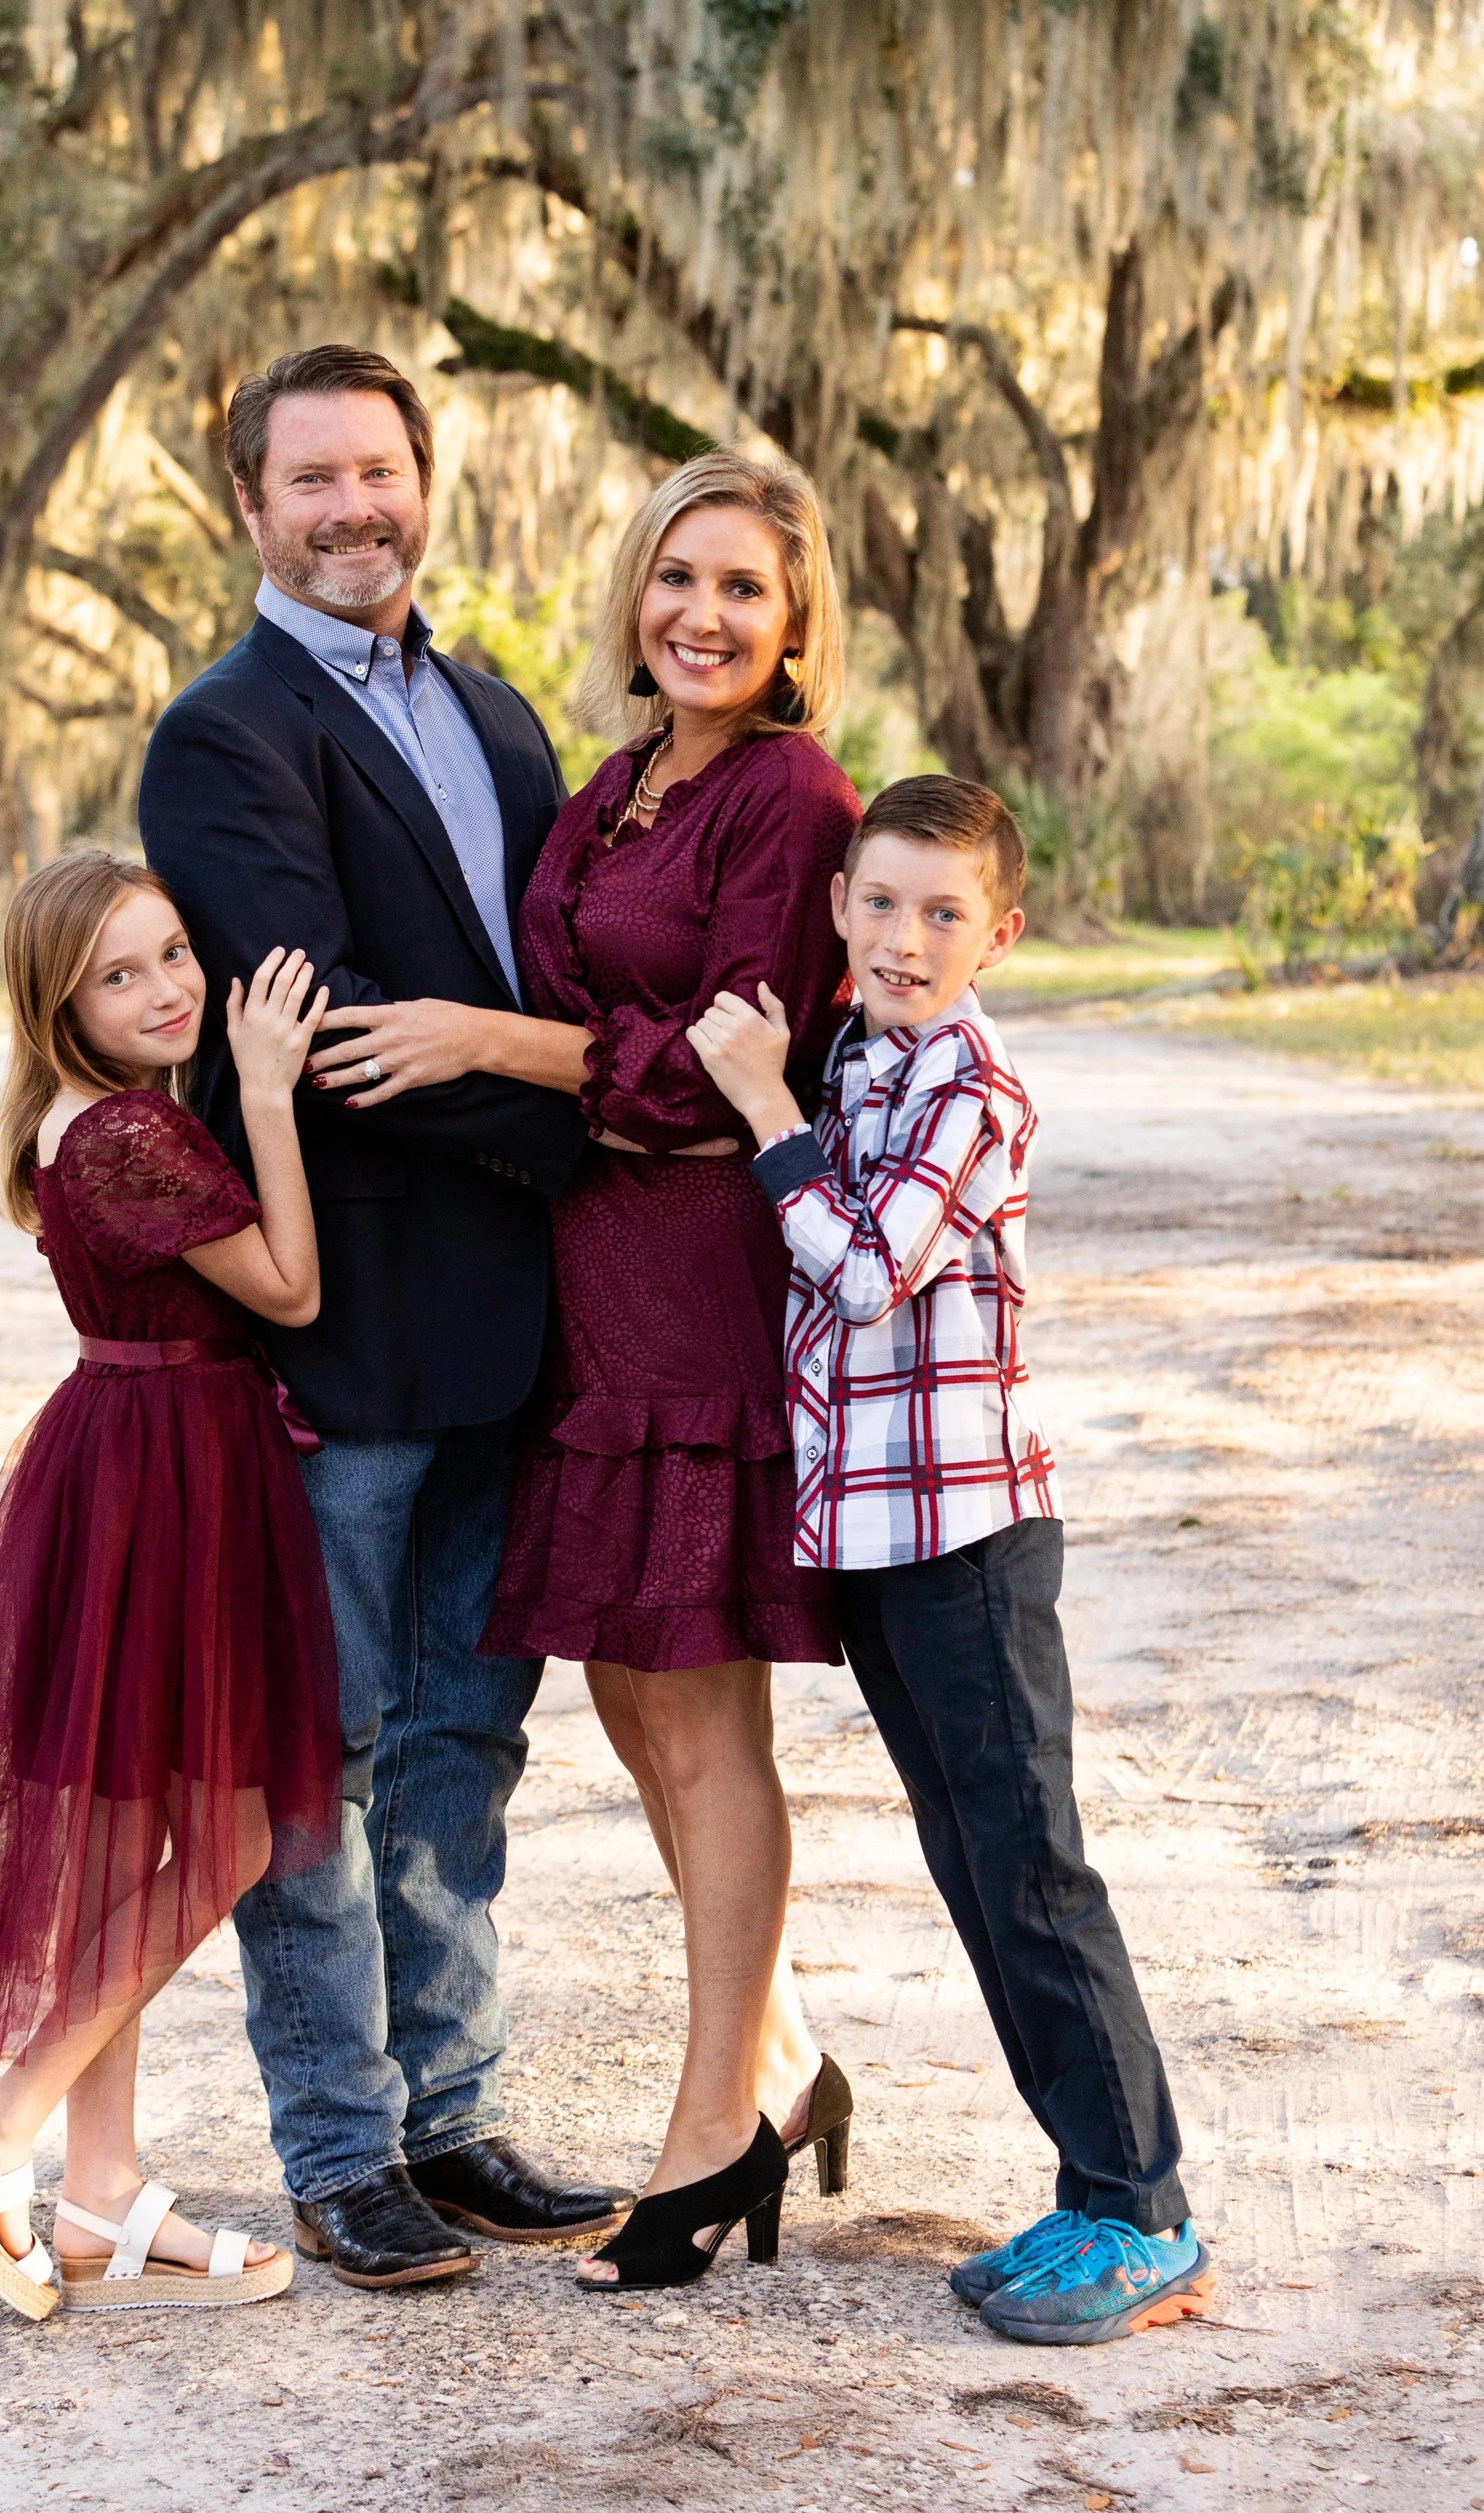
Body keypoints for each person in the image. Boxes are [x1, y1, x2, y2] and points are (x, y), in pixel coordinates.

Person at [334, 450, 862, 2293]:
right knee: (639, 1708)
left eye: (740, 589)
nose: (699, 616)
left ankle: (709, 2132)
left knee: (701, 1716)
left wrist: (490, 1038)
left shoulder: (791, 803)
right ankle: (777, 2063)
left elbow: (720, 1070)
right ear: (632, 591)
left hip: (699, 1284)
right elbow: (592, 1008)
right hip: (587, 1286)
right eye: (675, 579)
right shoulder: (623, 781)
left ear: (793, 625)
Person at [136, 345, 631, 2290]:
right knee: (316, 1762)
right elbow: (321, 1018)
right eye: (313, 480)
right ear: (251, 508)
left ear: (426, 483)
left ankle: (453, 2114)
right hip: (339, 1323)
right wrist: (603, 1109)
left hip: (511, 1329)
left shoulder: (494, 706)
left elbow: (540, 958)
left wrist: (585, 1090)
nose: (355, 509)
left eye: (382, 473)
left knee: (459, 1746)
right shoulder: (222, 734)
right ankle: (339, 2151)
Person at [686, 772, 1214, 2346]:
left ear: (1000, 933)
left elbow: (858, 1274)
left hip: (968, 1534)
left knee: (1034, 1869)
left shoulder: (965, 1088)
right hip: (875, 1537)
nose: (904, 939)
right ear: (838, 904)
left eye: (941, 914)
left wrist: (760, 1110)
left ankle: (1141, 2211)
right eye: (878, 903)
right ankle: (1082, 2194)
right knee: (973, 1865)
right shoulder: (858, 1053)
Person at [0, 850, 342, 2316]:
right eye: (118, 974)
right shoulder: (128, 1135)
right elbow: (287, 1289)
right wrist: (266, 1089)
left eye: (168, 955)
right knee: (217, 1841)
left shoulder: (101, 1123)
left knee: (142, 1839)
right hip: (167, 1475)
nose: (165, 991)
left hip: (147, 1458)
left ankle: (97, 2197)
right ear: (58, 1001)